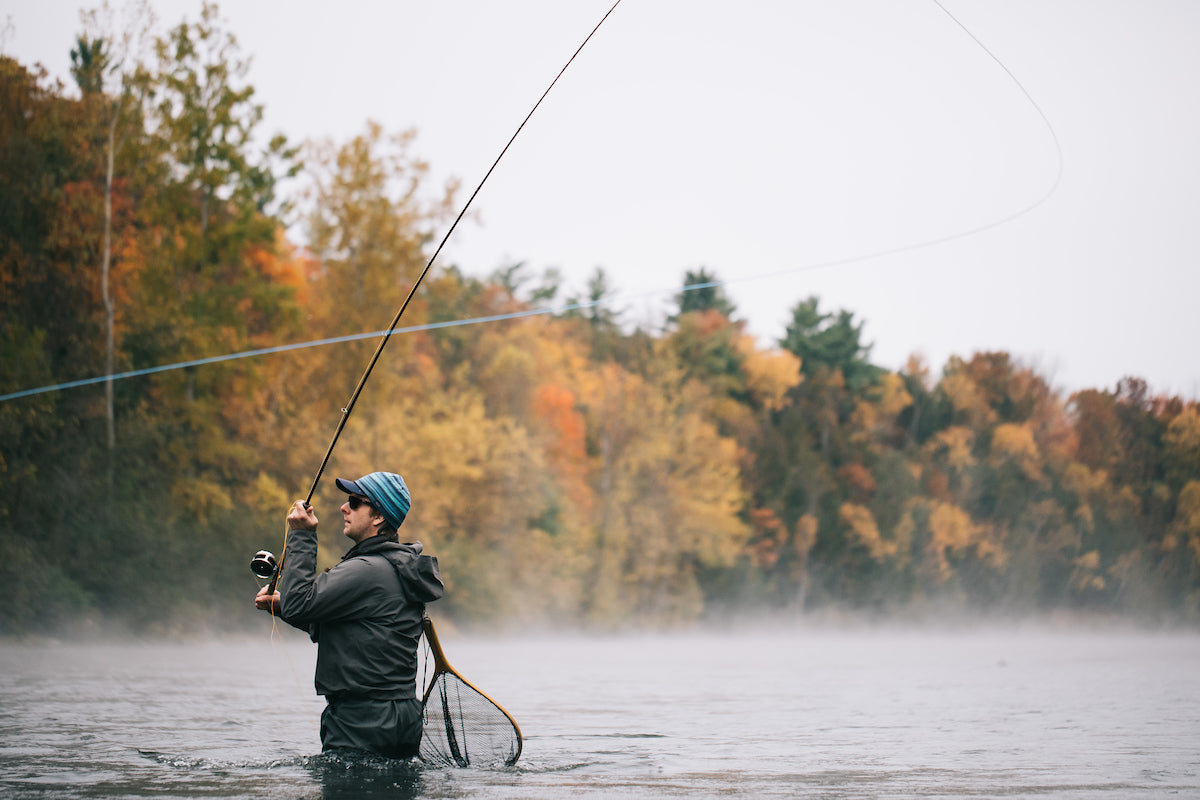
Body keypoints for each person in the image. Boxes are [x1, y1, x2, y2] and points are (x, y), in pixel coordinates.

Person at [255, 471, 444, 759]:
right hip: (401, 718)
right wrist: (284, 607)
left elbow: (300, 604)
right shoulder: (397, 567)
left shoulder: (366, 569)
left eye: (355, 503)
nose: (344, 508)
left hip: (361, 722)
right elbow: (354, 631)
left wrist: (302, 536)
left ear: (378, 517)